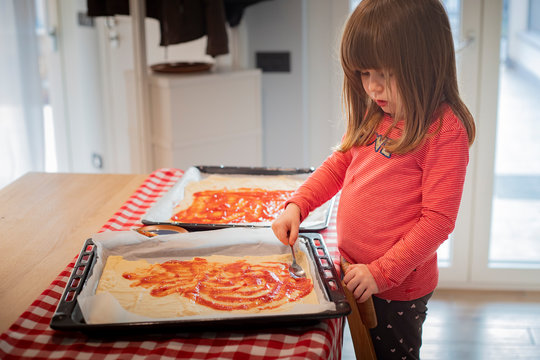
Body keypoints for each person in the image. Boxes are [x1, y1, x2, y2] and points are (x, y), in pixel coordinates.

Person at [272, 0, 476, 358]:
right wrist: (298, 204)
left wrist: (381, 273)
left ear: (427, 63)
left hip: (395, 287)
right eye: (365, 73)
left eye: (386, 74)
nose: (372, 88)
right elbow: (339, 164)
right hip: (356, 272)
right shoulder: (378, 113)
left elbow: (438, 222)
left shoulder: (445, 130)